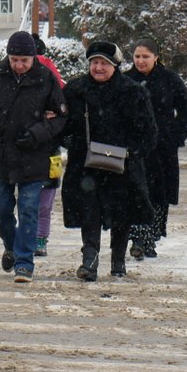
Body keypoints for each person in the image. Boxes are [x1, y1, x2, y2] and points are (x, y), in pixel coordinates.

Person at [60, 41, 158, 280]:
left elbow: (148, 132)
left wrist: (130, 152)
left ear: (115, 65)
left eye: (104, 63)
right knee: (89, 211)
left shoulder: (133, 92)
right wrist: (71, 142)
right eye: (94, 62)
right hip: (85, 165)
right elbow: (62, 125)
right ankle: (89, 260)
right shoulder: (75, 90)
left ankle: (117, 262)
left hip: (122, 167)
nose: (98, 68)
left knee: (121, 214)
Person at [0, 30, 68, 283]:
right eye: (14, 59)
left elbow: (61, 116)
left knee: (29, 209)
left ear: (33, 58)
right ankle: (11, 244)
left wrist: (39, 133)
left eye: (24, 61)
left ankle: (24, 262)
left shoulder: (45, 77)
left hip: (33, 155)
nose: (18, 65)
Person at [123, 39, 187, 260]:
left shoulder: (169, 79)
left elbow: (185, 109)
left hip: (162, 148)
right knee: (134, 192)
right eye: (137, 57)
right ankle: (138, 238)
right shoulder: (126, 80)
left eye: (145, 56)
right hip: (133, 148)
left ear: (156, 57)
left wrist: (175, 136)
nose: (141, 61)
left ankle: (150, 237)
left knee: (158, 194)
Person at [32, 34, 65, 259]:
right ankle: (39, 238)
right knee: (45, 201)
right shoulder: (52, 71)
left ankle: (38, 237)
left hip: (49, 147)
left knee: (38, 199)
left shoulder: (47, 71)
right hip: (48, 149)